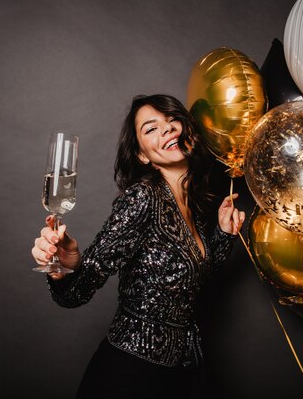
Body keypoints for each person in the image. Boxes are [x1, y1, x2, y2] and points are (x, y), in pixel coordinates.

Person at [31, 94, 245, 399]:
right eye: (151, 128)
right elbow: (75, 294)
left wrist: (223, 235)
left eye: (172, 120)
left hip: (179, 376)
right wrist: (63, 268)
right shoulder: (143, 198)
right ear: (143, 155)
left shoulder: (196, 210)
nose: (167, 129)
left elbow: (190, 287)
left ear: (188, 130)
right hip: (129, 376)